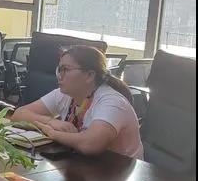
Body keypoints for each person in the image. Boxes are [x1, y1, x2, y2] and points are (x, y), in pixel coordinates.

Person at [12, 45, 143, 159]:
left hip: (119, 173)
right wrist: (51, 122)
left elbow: (90, 144)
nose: (59, 76)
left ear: (89, 75)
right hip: (85, 165)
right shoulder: (65, 94)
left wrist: (52, 133)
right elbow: (18, 115)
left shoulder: (112, 102)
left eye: (66, 69)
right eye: (59, 70)